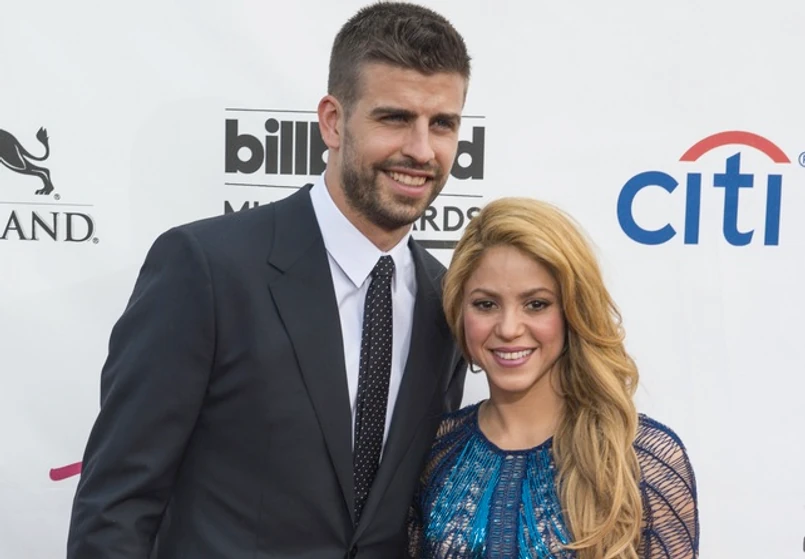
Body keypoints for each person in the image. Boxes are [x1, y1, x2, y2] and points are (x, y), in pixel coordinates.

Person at [67, 3, 470, 557]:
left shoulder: (448, 301)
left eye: (442, 124)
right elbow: (116, 505)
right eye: (395, 118)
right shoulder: (207, 268)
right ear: (333, 121)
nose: (422, 150)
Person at [408, 198, 699, 558]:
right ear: (459, 310)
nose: (509, 328)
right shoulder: (434, 451)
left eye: (536, 304)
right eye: (486, 304)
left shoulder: (638, 458)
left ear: (573, 311)